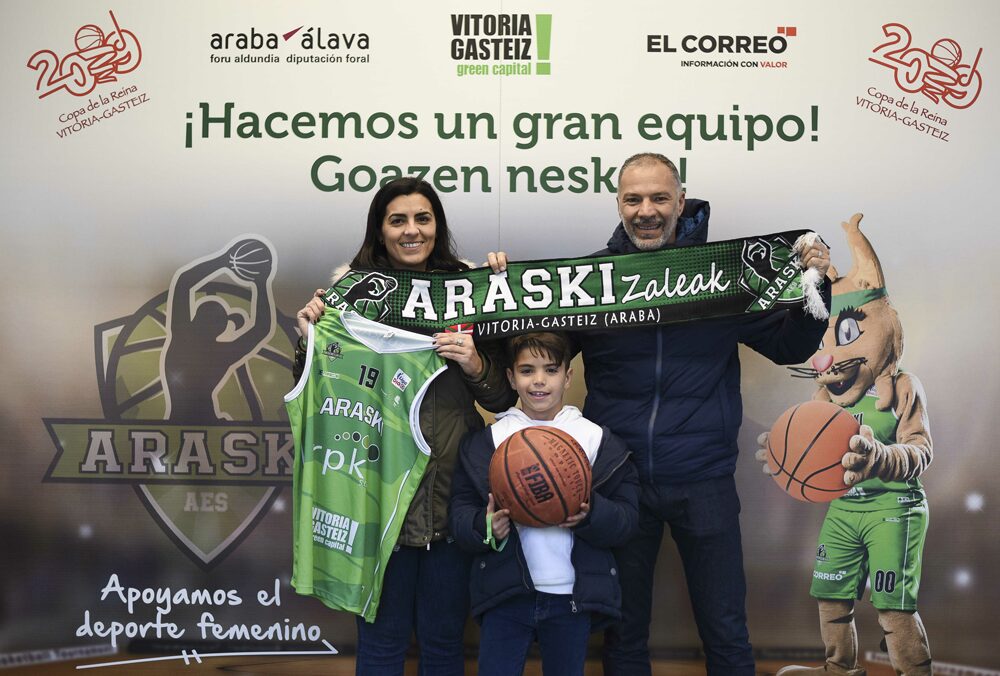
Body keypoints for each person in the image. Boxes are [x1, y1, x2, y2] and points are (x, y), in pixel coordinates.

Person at [580, 153, 832, 676]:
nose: (646, 210)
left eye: (659, 198)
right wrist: (492, 289)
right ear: (618, 204)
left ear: (681, 202)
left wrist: (816, 283)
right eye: (633, 199)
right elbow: (538, 353)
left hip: (703, 480)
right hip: (619, 481)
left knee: (725, 630)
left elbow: (789, 346)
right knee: (622, 633)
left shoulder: (724, 275)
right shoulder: (592, 280)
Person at [293, 177, 517, 676]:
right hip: (375, 499)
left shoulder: (470, 292)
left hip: (450, 500)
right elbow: (316, 398)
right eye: (398, 220)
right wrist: (311, 339)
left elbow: (503, 399)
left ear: (438, 226)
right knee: (380, 645)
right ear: (380, 229)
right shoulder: (349, 300)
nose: (412, 230)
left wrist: (476, 361)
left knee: (443, 645)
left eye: (423, 218)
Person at [449, 331, 640, 676]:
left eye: (551, 370)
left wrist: (591, 514)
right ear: (511, 378)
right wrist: (484, 526)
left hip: (572, 599)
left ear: (568, 377)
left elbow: (626, 520)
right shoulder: (487, 443)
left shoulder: (597, 440)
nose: (539, 380)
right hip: (506, 595)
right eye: (527, 370)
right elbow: (460, 515)